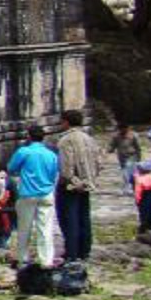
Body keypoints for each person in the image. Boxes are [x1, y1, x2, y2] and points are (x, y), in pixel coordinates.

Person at [8, 124, 60, 268]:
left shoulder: (24, 151)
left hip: (27, 193)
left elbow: (11, 168)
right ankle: (46, 259)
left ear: (29, 136)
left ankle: (23, 258)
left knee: (24, 228)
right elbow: (54, 173)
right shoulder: (51, 154)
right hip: (46, 192)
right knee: (45, 228)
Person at [55, 109, 101, 263]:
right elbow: (98, 162)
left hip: (70, 185)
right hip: (87, 183)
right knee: (84, 218)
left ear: (66, 122)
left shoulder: (65, 140)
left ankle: (72, 252)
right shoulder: (89, 139)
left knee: (69, 219)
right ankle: (84, 250)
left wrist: (73, 181)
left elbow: (66, 168)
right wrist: (89, 180)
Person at [107, 123, 142, 196]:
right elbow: (112, 145)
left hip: (132, 156)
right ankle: (128, 188)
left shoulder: (133, 135)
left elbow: (138, 147)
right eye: (121, 129)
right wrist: (110, 150)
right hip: (122, 157)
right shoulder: (116, 136)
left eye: (125, 128)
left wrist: (139, 158)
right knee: (125, 173)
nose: (123, 130)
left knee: (129, 173)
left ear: (128, 128)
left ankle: (131, 189)